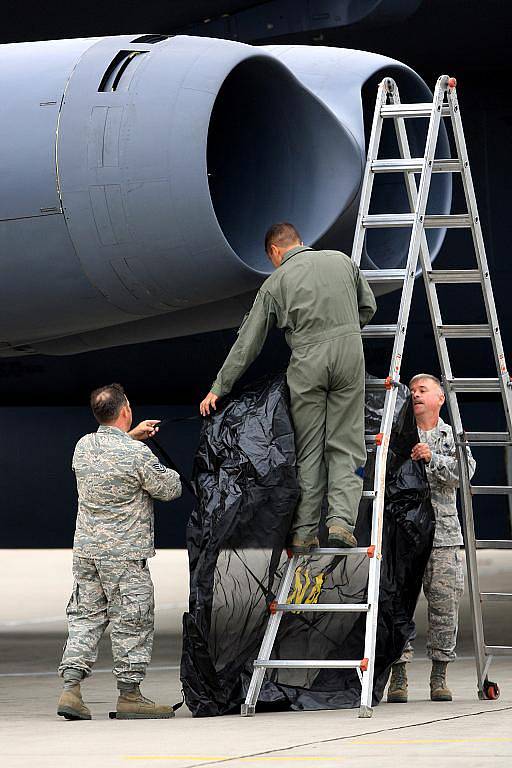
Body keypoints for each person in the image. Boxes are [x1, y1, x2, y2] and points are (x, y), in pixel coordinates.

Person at [199, 222, 376, 553]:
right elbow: (368, 307)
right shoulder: (341, 260)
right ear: (300, 241)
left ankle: (305, 531)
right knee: (347, 443)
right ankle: (340, 522)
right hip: (350, 356)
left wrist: (218, 388)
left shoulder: (275, 282)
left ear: (275, 252)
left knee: (309, 450)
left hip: (307, 363)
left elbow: (248, 343)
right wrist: (345, 331)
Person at [57, 383, 182, 720]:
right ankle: (130, 696)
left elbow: (111, 457)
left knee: (84, 618)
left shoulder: (83, 446)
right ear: (126, 411)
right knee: (132, 621)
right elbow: (170, 488)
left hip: (86, 552)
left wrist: (131, 438)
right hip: (125, 556)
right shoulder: (137, 454)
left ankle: (71, 689)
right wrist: (143, 448)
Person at [387, 373, 475, 703]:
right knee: (399, 605)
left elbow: (464, 473)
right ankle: (398, 677)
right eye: (412, 391)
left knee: (444, 609)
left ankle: (439, 676)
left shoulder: (450, 436)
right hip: (406, 537)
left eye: (423, 390)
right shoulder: (399, 435)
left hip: (443, 536)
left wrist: (432, 458)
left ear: (439, 398)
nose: (416, 395)